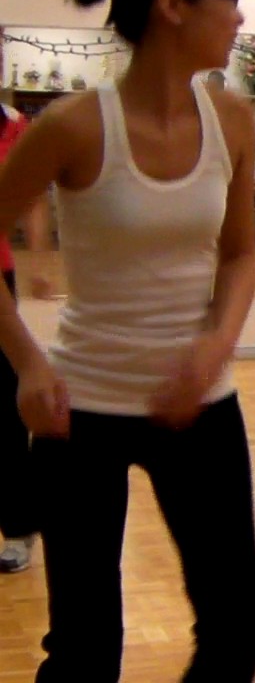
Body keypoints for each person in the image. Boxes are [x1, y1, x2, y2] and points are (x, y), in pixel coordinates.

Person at [0, 0, 255, 679]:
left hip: (201, 407)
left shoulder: (232, 120)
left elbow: (241, 255)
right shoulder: (73, 125)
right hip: (80, 412)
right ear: (172, 4)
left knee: (235, 635)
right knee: (84, 653)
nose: (241, 17)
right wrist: (27, 362)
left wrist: (216, 344)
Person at [0, 103, 54, 575]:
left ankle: (19, 525)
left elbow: (33, 198)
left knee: (4, 405)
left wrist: (38, 261)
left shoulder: (16, 129)